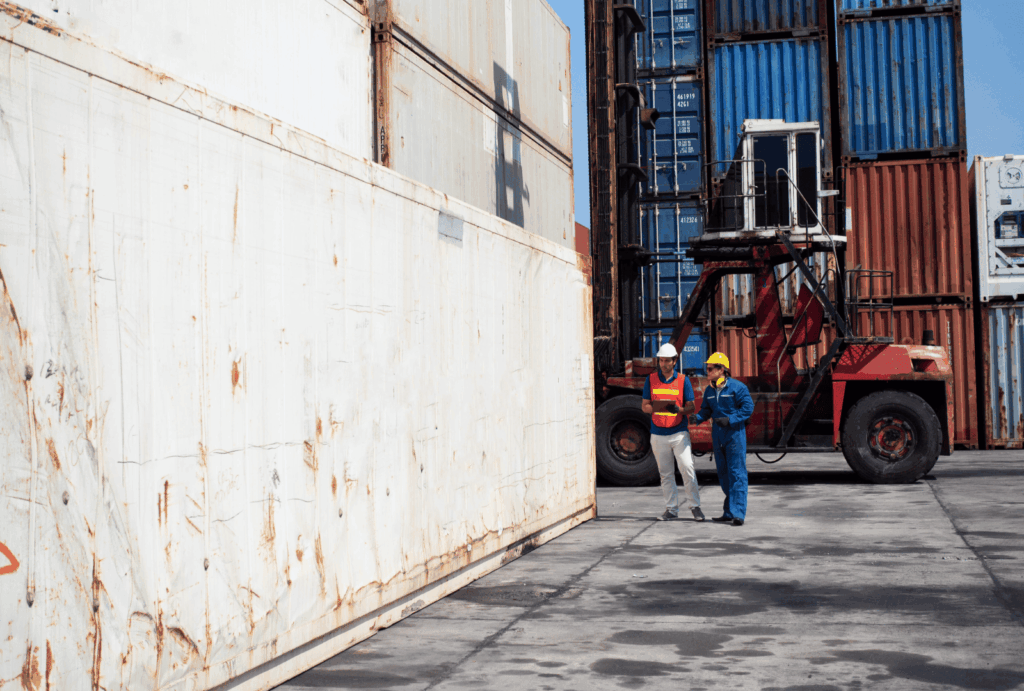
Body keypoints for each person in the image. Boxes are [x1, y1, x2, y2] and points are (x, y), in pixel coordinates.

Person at [641, 343, 705, 522]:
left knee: (687, 467)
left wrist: (679, 410)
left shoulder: (683, 380)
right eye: (661, 360)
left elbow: (691, 407)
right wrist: (655, 408)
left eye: (667, 361)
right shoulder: (651, 380)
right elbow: (644, 406)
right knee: (666, 473)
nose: (663, 364)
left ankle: (695, 507)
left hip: (679, 433)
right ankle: (671, 509)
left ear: (675, 361)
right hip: (658, 434)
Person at [691, 352, 754, 526]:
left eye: (711, 368)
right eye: (707, 368)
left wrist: (731, 419)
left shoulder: (737, 388)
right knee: (724, 474)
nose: (707, 371)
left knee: (737, 473)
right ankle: (729, 512)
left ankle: (738, 513)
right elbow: (706, 410)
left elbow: (748, 407)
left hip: (734, 435)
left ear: (722, 370)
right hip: (718, 436)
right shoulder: (709, 390)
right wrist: (697, 418)